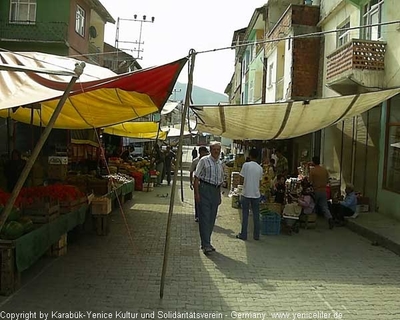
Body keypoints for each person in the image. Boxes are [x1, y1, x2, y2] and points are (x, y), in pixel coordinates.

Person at [194, 141, 224, 255]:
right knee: (205, 218)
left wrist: (219, 195)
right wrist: (197, 194)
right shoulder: (204, 161)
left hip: (215, 191)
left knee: (212, 218)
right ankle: (206, 244)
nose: (216, 151)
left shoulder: (220, 163)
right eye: (214, 149)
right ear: (210, 150)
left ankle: (207, 242)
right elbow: (196, 178)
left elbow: (220, 181)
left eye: (218, 149)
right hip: (205, 190)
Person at [236, 148, 263, 241]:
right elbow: (260, 182)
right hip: (256, 194)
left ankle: (243, 234)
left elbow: (241, 179)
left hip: (246, 193)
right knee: (256, 215)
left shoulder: (246, 165)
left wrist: (242, 186)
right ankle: (256, 235)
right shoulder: (260, 168)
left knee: (245, 215)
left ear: (250, 156)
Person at [309, 156, 334, 229]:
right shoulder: (324, 170)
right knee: (324, 207)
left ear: (313, 162)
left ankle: (311, 220)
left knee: (312, 205)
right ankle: (330, 218)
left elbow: (310, 181)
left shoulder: (312, 171)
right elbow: (327, 180)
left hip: (315, 190)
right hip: (324, 190)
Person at [190, 146, 209, 222]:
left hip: (205, 183)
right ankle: (197, 215)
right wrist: (191, 182)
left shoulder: (208, 161)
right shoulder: (195, 161)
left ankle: (203, 215)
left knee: (204, 200)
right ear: (200, 152)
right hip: (197, 182)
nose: (205, 154)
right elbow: (191, 171)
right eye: (204, 152)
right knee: (197, 199)